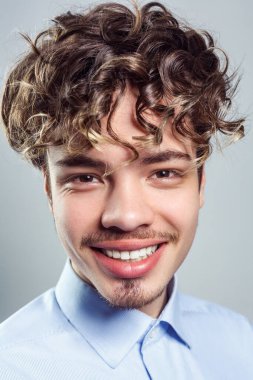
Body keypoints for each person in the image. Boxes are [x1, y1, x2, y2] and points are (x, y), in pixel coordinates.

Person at [0, 1, 252, 379]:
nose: (127, 217)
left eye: (164, 172)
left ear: (200, 183)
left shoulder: (240, 343)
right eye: (85, 177)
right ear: (50, 191)